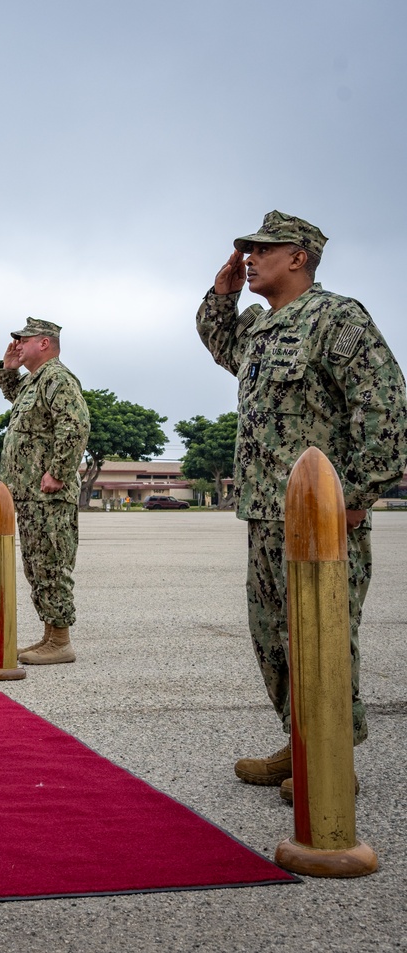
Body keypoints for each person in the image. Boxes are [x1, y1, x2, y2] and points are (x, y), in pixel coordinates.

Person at [196, 210, 407, 798]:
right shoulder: (261, 330)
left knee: (323, 633)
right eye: (246, 250)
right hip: (267, 513)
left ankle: (332, 761)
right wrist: (222, 296)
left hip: (322, 517)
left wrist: (357, 497)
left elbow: (384, 404)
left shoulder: (337, 317)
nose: (250, 257)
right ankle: (301, 742)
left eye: (263, 249)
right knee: (273, 636)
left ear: (300, 258)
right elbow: (220, 343)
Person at [0, 318, 91, 665]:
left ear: (44, 343)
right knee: (37, 566)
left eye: (23, 339)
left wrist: (59, 473)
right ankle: (50, 635)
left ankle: (61, 640)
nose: (17, 343)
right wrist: (8, 369)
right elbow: (17, 402)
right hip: (32, 494)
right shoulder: (37, 381)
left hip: (49, 492)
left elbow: (75, 424)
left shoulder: (58, 378)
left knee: (52, 563)